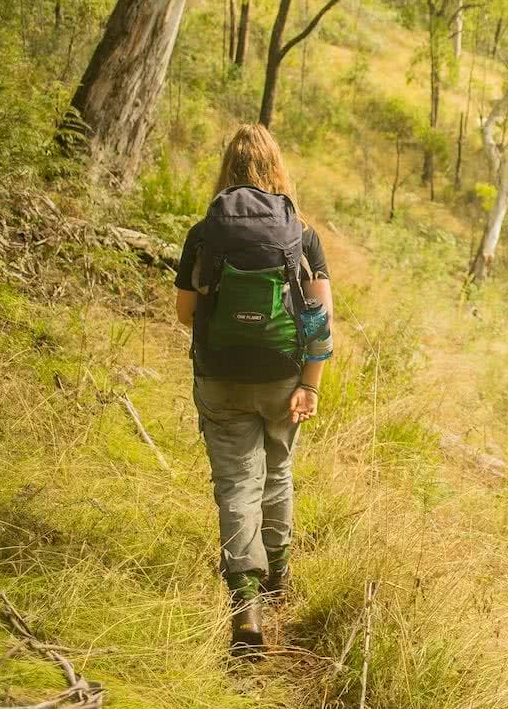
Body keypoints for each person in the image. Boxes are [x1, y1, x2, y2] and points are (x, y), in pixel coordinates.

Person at [174, 124, 332, 655]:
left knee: (236, 485)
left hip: (220, 378)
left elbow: (183, 313)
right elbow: (320, 318)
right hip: (283, 376)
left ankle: (247, 608)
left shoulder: (204, 232)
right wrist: (310, 384)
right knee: (278, 471)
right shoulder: (301, 233)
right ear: (276, 167)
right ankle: (277, 580)